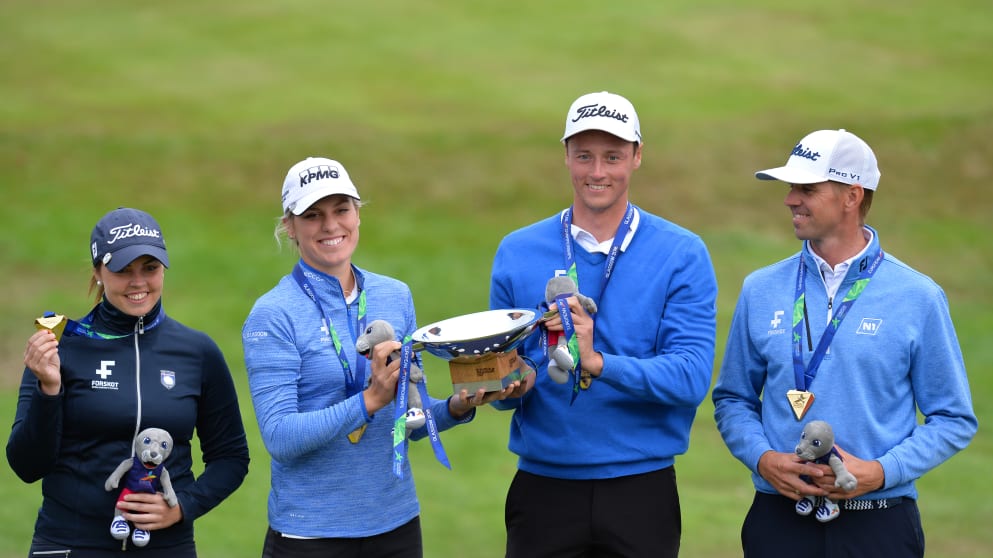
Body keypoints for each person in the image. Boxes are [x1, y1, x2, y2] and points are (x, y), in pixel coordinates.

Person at [712, 129, 978, 557]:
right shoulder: (760, 288)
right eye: (791, 187)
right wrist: (763, 459)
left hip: (879, 522)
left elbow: (953, 418)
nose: (790, 199)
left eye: (807, 188)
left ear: (852, 196)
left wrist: (881, 471)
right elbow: (732, 400)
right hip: (779, 521)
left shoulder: (918, 296)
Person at [242, 156, 517, 558]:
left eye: (342, 210)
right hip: (311, 536)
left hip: (396, 528)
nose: (331, 226)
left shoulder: (394, 295)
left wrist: (458, 407)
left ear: (358, 213)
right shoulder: (273, 313)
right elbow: (280, 437)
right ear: (290, 227)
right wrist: (370, 401)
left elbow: (410, 419)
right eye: (313, 215)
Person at [488, 91, 719, 557]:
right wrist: (505, 384)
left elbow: (691, 378)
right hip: (543, 489)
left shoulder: (681, 253)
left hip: (640, 490)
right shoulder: (517, 251)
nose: (597, 172)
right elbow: (507, 380)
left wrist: (597, 362)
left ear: (637, 157)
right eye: (585, 156)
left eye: (613, 156)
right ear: (566, 156)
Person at [8, 207, 251, 556]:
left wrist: (183, 506)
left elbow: (231, 456)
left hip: (166, 547)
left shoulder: (197, 352)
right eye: (123, 270)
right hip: (69, 544)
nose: (138, 282)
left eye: (150, 268)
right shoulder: (61, 347)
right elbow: (27, 466)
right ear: (98, 272)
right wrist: (49, 390)